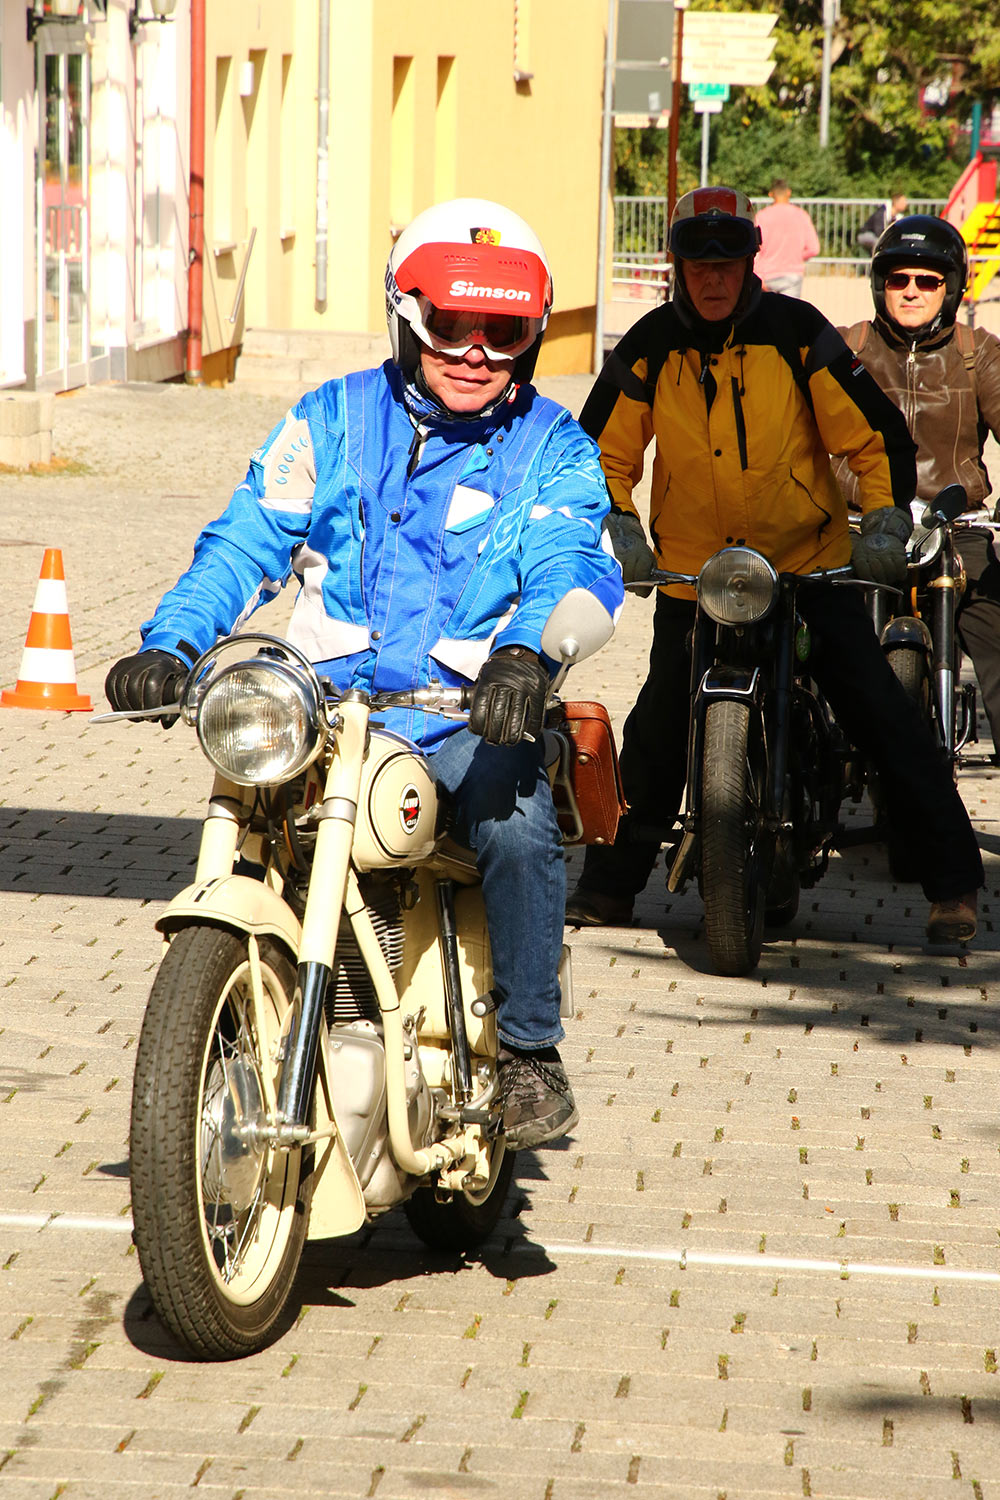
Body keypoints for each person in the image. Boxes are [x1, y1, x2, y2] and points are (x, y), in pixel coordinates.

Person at [104, 197, 624, 1150]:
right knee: (245, 804)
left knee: (515, 818)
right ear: (407, 316)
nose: (475, 352)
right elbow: (246, 539)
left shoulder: (555, 448)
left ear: (533, 338)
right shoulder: (331, 418)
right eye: (451, 325)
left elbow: (572, 563)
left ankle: (530, 1052)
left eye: (503, 332)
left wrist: (524, 656)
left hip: (465, 714)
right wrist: (172, 643)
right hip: (323, 709)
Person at [564, 185, 983, 945]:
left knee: (882, 716)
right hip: (697, 579)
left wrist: (885, 519)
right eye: (698, 262)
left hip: (804, 566)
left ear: (751, 262)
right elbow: (594, 452)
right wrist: (616, 524)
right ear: (676, 265)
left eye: (727, 261)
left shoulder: (796, 332)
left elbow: (876, 434)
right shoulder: (651, 343)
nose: (713, 277)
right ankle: (610, 887)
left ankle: (953, 884)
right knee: (657, 725)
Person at [834, 214, 1000, 764]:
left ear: (950, 289)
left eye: (927, 280)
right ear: (879, 285)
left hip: (954, 527)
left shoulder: (979, 353)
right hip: (857, 523)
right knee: (797, 628)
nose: (911, 291)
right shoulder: (847, 347)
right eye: (898, 279)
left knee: (997, 639)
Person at [753, 178, 820, 298]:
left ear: (771, 194)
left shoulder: (762, 216)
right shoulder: (801, 215)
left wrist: (757, 274)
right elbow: (814, 249)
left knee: (767, 310)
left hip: (766, 275)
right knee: (790, 309)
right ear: (789, 192)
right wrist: (796, 257)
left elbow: (756, 248)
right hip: (792, 275)